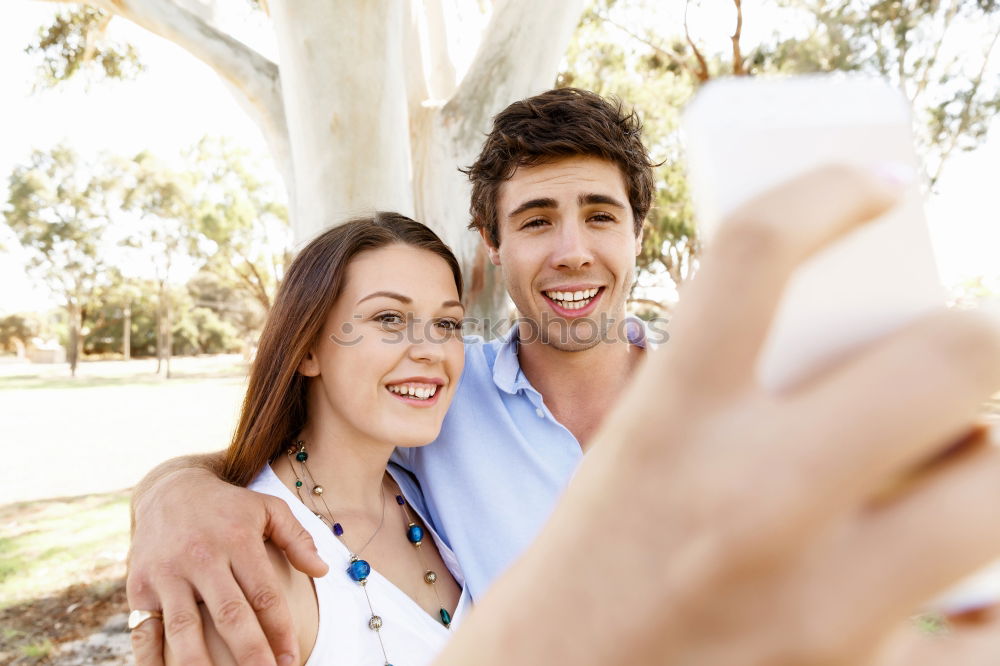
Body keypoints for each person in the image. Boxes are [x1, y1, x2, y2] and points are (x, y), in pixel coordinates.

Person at [127, 89, 1000, 665]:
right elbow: (299, 444)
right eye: (537, 219)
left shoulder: (747, 408)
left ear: (636, 238)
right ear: (494, 249)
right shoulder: (438, 397)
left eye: (599, 215)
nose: (572, 249)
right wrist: (173, 497)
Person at [161, 213, 471, 665]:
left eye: (448, 324)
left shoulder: (427, 492)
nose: (430, 349)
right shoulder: (252, 562)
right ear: (307, 349)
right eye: (389, 318)